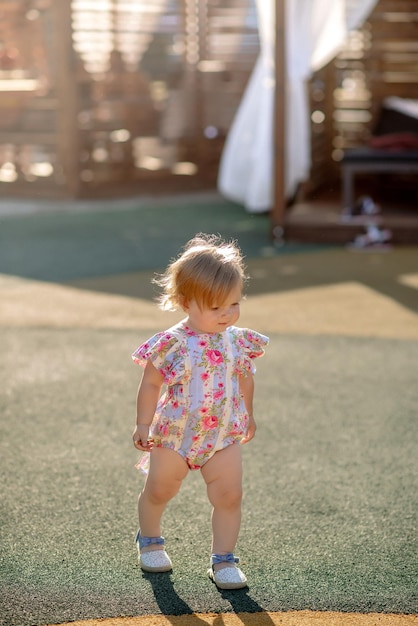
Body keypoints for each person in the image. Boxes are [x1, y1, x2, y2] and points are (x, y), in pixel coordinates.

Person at [132, 233, 268, 590]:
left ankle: (223, 560)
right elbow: (150, 384)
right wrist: (143, 423)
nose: (228, 314)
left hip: (222, 434)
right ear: (186, 302)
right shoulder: (172, 344)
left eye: (234, 304)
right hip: (175, 434)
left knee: (229, 495)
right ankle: (150, 540)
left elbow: (244, 378)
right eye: (216, 307)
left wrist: (249, 415)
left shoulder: (238, 340)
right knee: (160, 488)